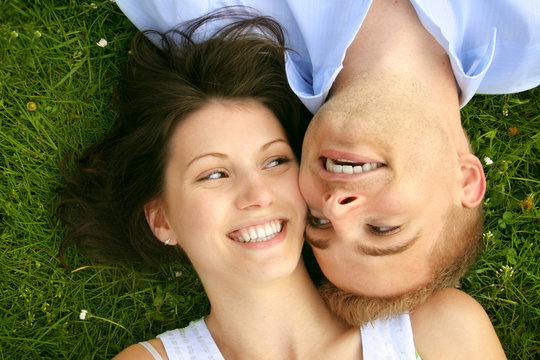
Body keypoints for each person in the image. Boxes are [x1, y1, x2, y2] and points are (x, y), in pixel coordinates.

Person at [57, 13, 506, 360]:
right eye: (213, 174)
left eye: (275, 161)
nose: (257, 195)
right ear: (162, 219)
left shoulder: (441, 331)